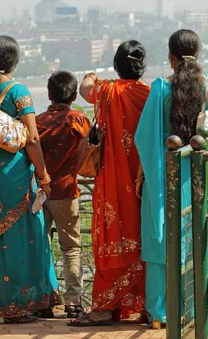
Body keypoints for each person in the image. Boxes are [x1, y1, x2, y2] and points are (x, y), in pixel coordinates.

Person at [135, 30, 208, 329]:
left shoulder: (161, 87)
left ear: (170, 56)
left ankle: (159, 313)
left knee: (160, 237)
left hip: (165, 171)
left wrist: (144, 172)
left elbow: (144, 136)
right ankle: (192, 309)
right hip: (198, 171)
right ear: (198, 54)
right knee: (194, 236)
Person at [0, 36, 59, 325]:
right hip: (12, 174)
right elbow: (31, 137)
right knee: (19, 236)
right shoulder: (18, 90)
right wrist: (43, 175)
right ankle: (18, 305)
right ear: (15, 62)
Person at [69, 41, 150, 326]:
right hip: (144, 181)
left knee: (110, 239)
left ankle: (103, 308)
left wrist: (93, 73)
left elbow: (84, 88)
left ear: (117, 66)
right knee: (144, 239)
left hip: (112, 183)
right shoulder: (150, 94)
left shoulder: (106, 91)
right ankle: (147, 305)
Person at [36, 71, 91, 319]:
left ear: (49, 93)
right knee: (71, 248)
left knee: (41, 246)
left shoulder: (37, 121)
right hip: (67, 191)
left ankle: (44, 300)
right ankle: (73, 302)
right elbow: (90, 149)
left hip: (39, 193)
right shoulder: (77, 119)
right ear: (73, 94)